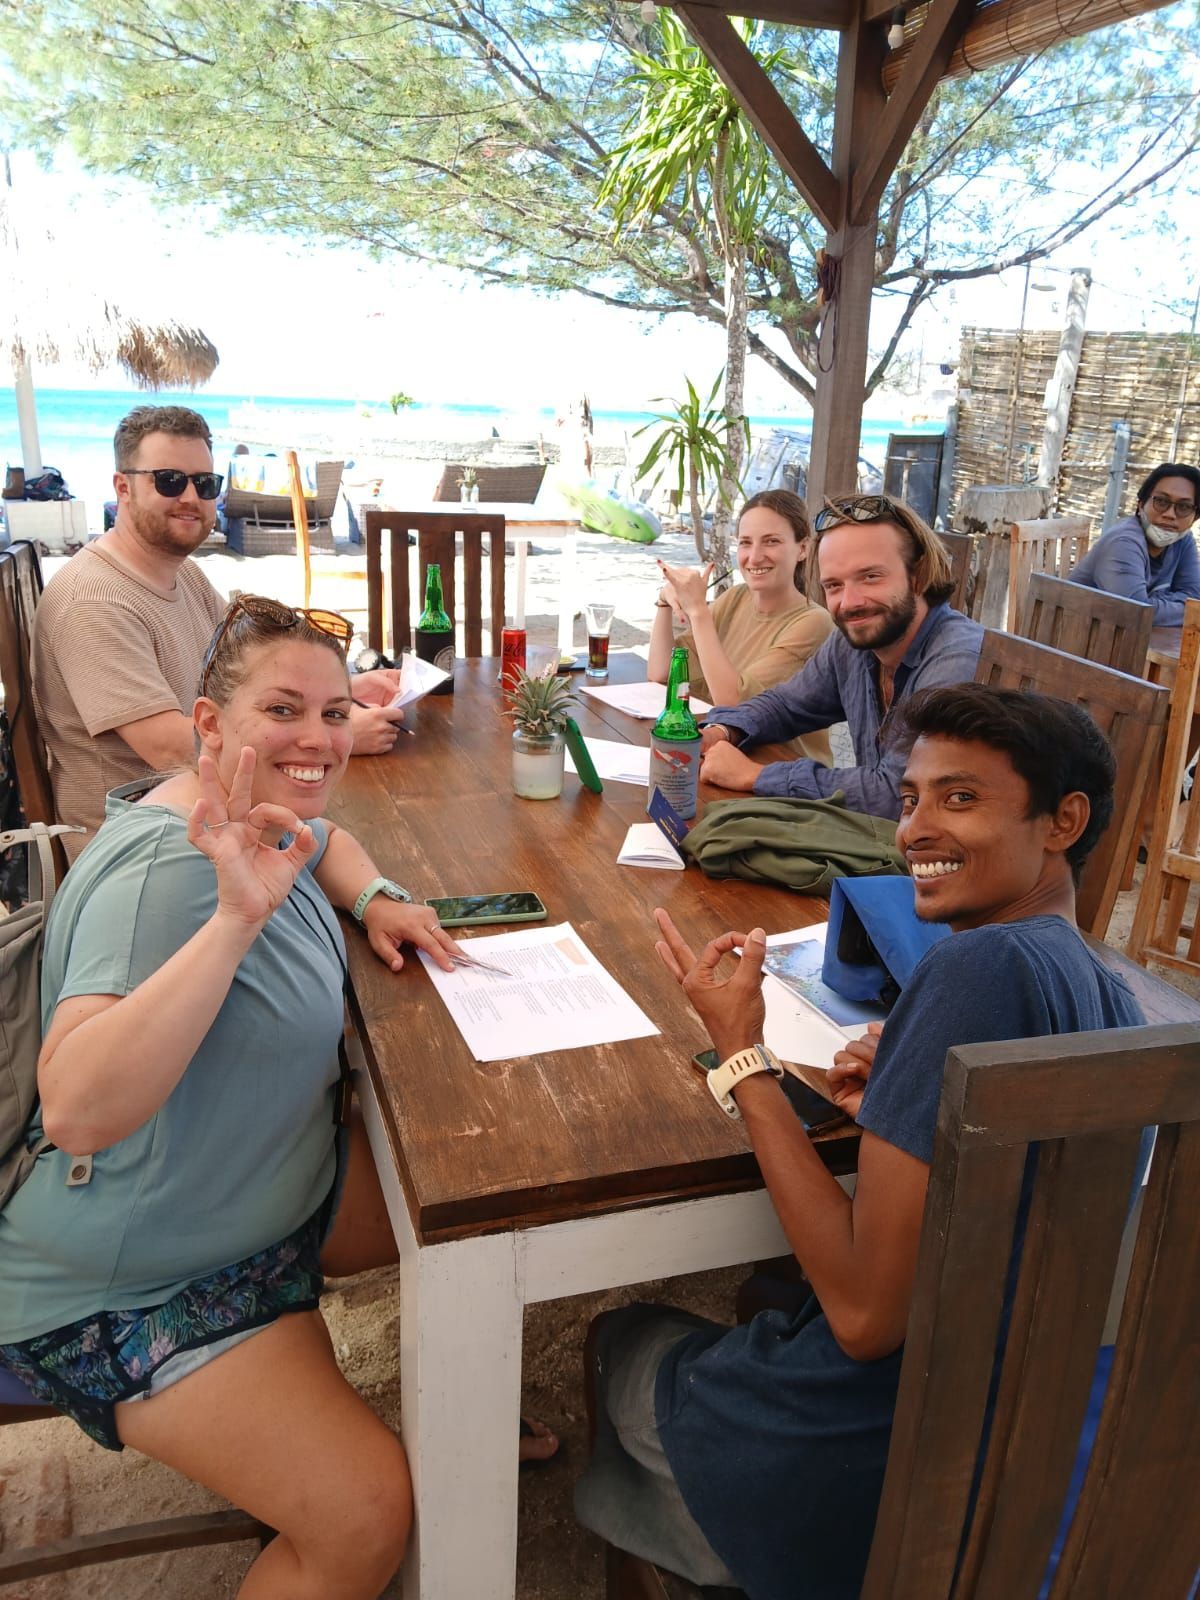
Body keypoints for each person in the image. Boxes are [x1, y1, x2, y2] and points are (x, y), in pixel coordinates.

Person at [0, 596, 554, 1599]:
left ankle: (454, 1413)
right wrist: (231, 925)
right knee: (365, 1511)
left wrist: (377, 894)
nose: (317, 741)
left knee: (496, 1192)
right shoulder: (172, 876)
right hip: (138, 1277)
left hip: (248, 1198)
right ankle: (378, 1449)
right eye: (284, 711)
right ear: (209, 725)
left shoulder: (241, 810)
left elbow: (328, 834)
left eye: (335, 714)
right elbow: (77, 1106)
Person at [575, 684, 1146, 1600]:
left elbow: (865, 1316)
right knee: (754, 1303)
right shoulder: (1105, 991)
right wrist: (915, 1082)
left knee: (620, 1333)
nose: (915, 828)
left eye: (960, 799)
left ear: (1063, 820)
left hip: (863, 1481)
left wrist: (742, 1056)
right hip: (1012, 1456)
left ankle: (708, 1551)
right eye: (912, 798)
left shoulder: (975, 968)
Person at [31, 405, 407, 860]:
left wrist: (336, 693)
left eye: (205, 484)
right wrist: (327, 736)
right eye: (169, 480)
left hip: (221, 810)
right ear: (122, 487)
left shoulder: (183, 574)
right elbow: (169, 745)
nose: (191, 496)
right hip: (145, 848)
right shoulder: (93, 601)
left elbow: (253, 660)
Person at [698, 493, 983, 819]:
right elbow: (787, 706)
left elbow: (899, 795)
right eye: (834, 585)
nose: (850, 602)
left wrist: (756, 776)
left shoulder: (956, 661)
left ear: (917, 575)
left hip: (943, 859)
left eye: (871, 576)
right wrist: (721, 731)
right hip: (886, 840)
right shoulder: (855, 644)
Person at [648, 490, 834, 764]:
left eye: (771, 541)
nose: (755, 557)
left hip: (781, 772)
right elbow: (661, 672)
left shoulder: (813, 622)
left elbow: (735, 706)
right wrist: (664, 601)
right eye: (746, 543)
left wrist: (698, 610)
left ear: (803, 548)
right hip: (724, 756)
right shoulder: (735, 598)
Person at [1070, 462, 1200, 626]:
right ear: (1140, 505)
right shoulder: (1123, 542)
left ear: (1195, 517)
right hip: (1076, 639)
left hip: (1126, 638)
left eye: (1184, 507)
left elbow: (1195, 599)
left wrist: (1152, 603)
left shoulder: (1183, 541)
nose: (1170, 514)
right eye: (1161, 502)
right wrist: (1175, 603)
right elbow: (1136, 613)